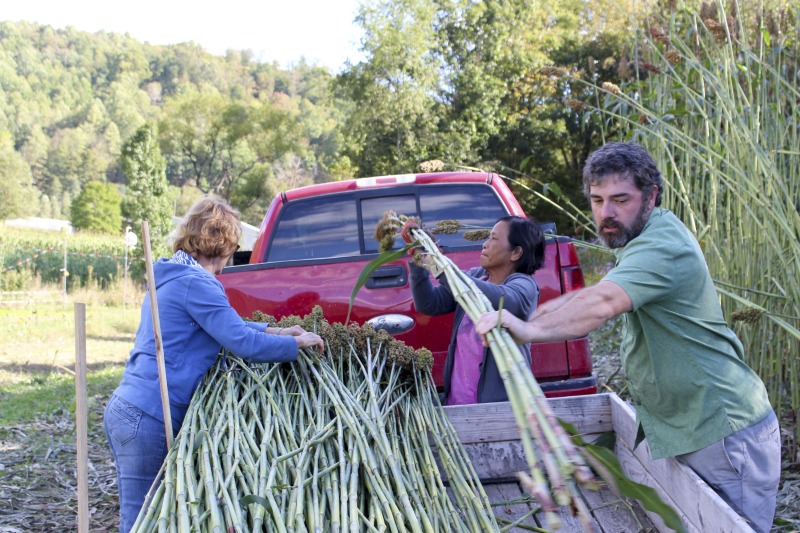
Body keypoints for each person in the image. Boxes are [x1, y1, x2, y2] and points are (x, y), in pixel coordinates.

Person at [475, 142, 780, 533]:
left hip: (725, 435)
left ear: (651, 196)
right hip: (693, 428)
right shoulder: (642, 237)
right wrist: (524, 319)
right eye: (597, 200)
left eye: (620, 200)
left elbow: (603, 302)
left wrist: (530, 331)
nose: (606, 213)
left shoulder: (661, 246)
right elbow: (586, 295)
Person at [104, 197, 324, 533]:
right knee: (140, 518)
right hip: (147, 414)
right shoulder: (198, 283)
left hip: (131, 408)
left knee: (147, 513)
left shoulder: (172, 274)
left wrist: (276, 330)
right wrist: (293, 345)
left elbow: (225, 324)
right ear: (223, 244)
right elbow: (241, 342)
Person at [405, 215, 545, 405]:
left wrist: (441, 266)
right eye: (487, 238)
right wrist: (419, 260)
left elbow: (502, 298)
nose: (485, 244)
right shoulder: (476, 276)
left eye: (494, 239)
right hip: (458, 403)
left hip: (499, 410)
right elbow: (429, 303)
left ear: (515, 253)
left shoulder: (524, 286)